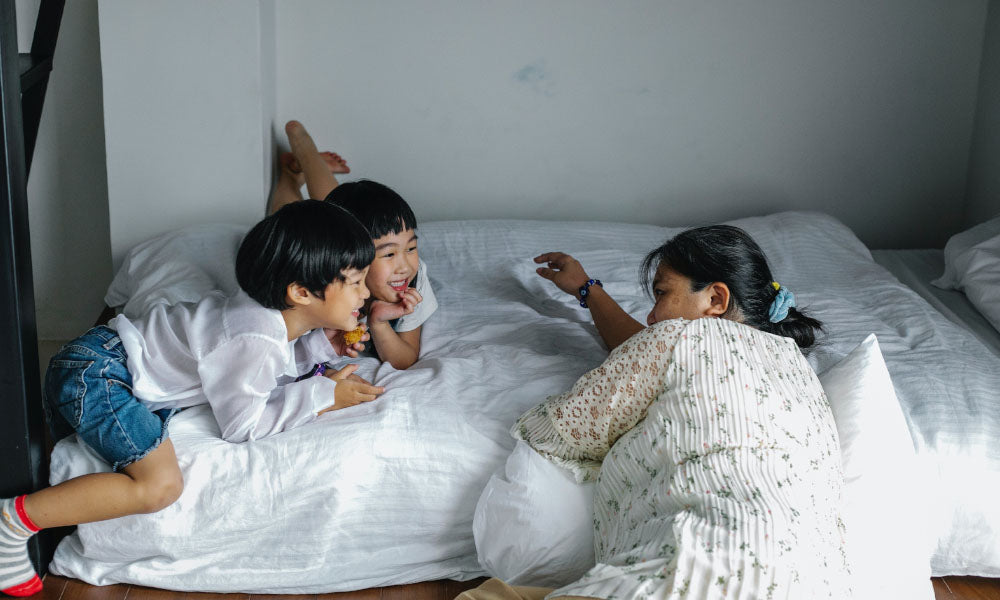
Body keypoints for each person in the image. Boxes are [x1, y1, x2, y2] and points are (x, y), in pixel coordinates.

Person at [0, 200, 384, 598]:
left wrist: (319, 347)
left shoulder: (261, 318)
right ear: (301, 292)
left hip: (96, 358)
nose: (365, 292)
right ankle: (10, 523)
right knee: (160, 486)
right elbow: (243, 426)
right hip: (100, 375)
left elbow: (254, 370)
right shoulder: (254, 337)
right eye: (356, 282)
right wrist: (322, 396)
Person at [459, 225, 849, 600]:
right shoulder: (799, 370)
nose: (651, 317)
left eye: (661, 293)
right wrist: (587, 290)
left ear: (716, 299)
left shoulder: (679, 339)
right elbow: (655, 346)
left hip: (692, 576)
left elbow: (561, 429)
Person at [270, 120, 437, 370]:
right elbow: (282, 357)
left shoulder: (411, 279)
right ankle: (302, 157)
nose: (404, 265)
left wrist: (378, 322)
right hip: (317, 250)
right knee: (293, 219)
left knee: (338, 208)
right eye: (389, 254)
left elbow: (405, 359)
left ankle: (294, 171)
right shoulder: (318, 284)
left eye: (411, 248)